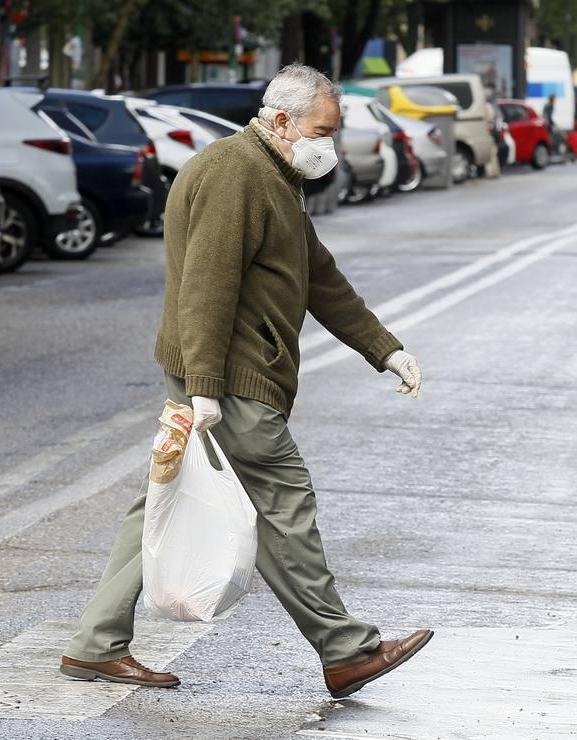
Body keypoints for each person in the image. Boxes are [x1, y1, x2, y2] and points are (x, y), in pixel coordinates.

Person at [60, 64, 432, 699]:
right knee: (285, 502)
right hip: (232, 379)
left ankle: (96, 644)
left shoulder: (274, 175)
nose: (330, 146)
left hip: (220, 375)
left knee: (161, 500)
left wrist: (384, 348)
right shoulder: (238, 173)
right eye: (323, 130)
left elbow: (320, 278)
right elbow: (206, 286)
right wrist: (205, 384)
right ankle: (344, 650)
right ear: (282, 121)